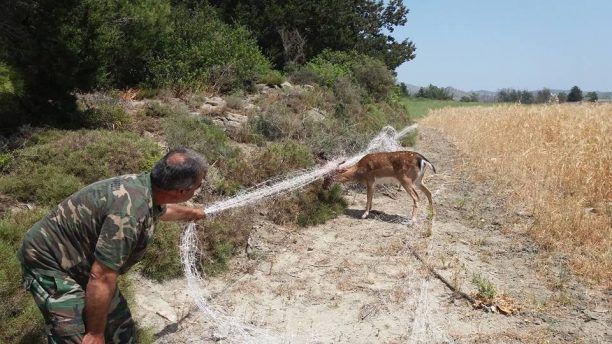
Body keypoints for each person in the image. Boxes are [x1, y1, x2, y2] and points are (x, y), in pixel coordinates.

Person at [17, 147, 208, 344]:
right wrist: (95, 334)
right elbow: (101, 276)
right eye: (198, 186)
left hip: (81, 258)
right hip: (49, 261)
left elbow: (162, 209)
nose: (198, 189)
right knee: (75, 337)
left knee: (121, 331)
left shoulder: (146, 186)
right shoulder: (128, 216)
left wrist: (191, 213)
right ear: (181, 191)